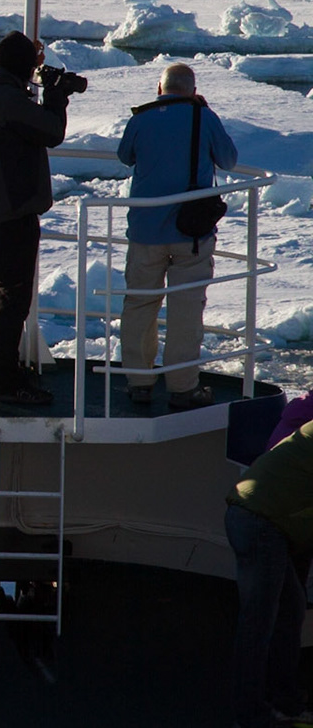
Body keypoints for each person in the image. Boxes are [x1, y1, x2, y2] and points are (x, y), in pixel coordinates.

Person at [0, 30, 76, 407]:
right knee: (12, 297)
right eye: (32, 66)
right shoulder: (8, 98)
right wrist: (56, 96)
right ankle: (5, 382)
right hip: (10, 209)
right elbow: (51, 131)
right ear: (21, 67)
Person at [117, 62, 238, 410]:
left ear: (159, 88)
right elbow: (228, 160)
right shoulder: (204, 118)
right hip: (192, 233)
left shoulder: (140, 119)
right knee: (186, 309)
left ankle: (139, 382)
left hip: (145, 231)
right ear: (193, 91)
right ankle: (183, 387)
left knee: (140, 304)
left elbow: (125, 156)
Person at [226, 419, 313, 728]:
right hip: (259, 522)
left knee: (289, 611)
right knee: (259, 623)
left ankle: (284, 701)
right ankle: (249, 715)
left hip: (256, 518)